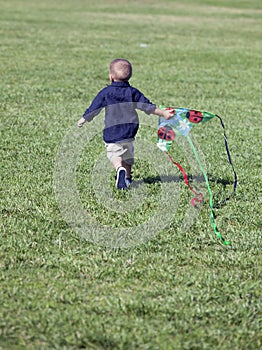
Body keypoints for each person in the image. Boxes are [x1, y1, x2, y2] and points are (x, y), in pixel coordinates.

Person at [77, 58, 174, 189]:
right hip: (130, 130)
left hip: (113, 131)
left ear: (111, 76)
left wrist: (84, 118)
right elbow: (147, 107)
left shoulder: (106, 92)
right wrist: (163, 113)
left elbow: (95, 107)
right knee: (128, 155)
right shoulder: (133, 92)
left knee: (114, 154)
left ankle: (119, 169)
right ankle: (127, 178)